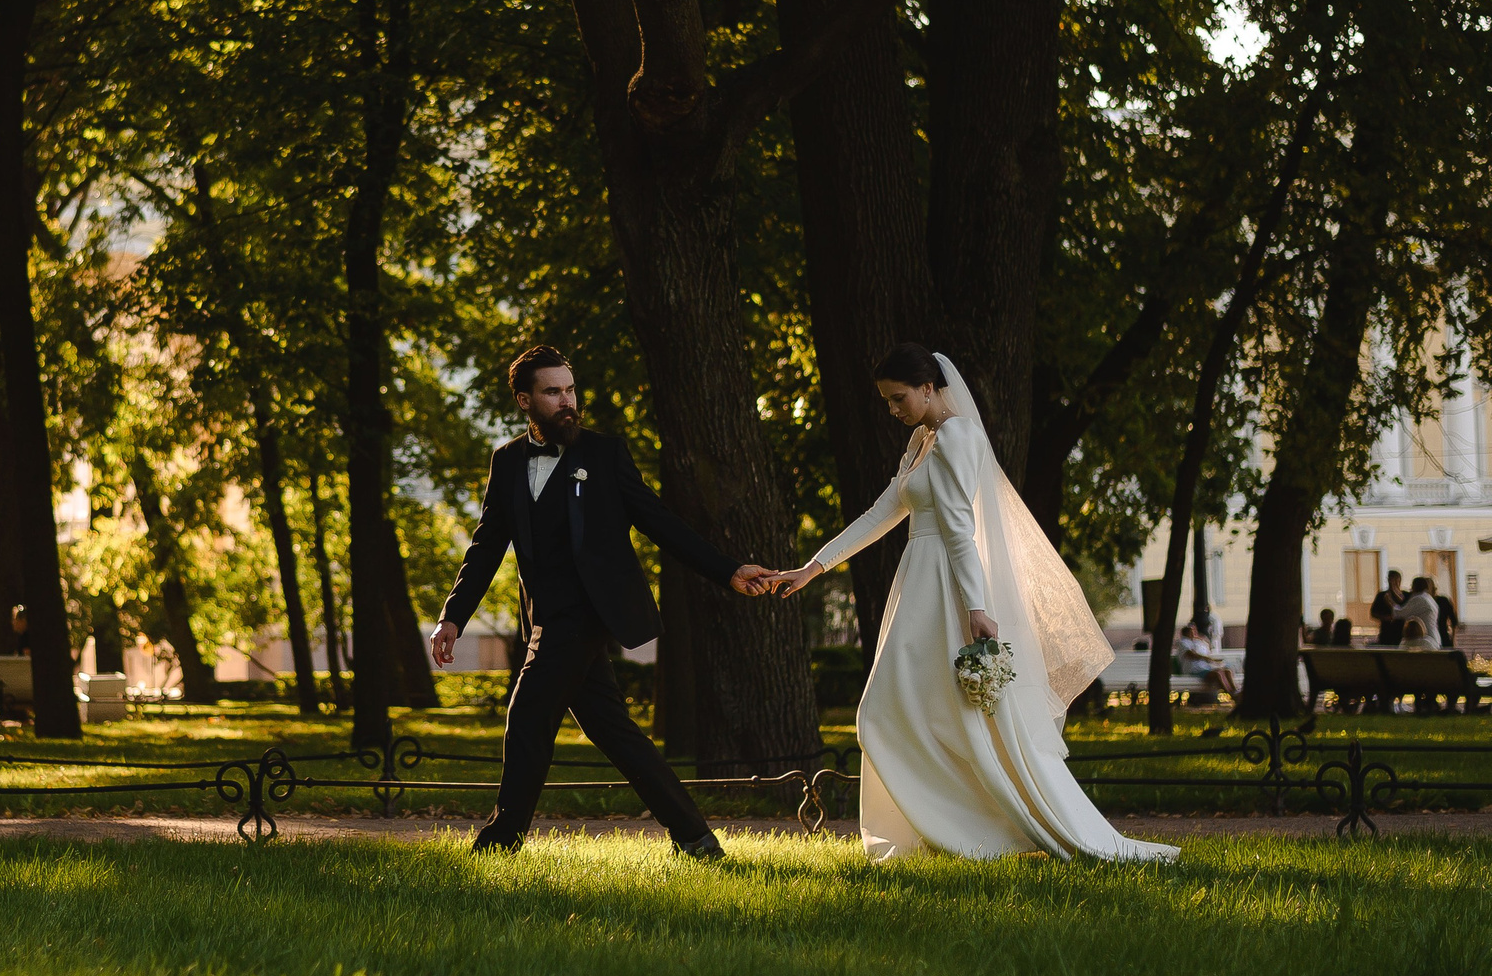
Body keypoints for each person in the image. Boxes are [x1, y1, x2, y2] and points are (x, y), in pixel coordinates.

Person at [765, 344, 1176, 863]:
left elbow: (960, 525)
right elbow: (880, 513)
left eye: (899, 398)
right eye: (887, 401)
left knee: (909, 710)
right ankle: (939, 827)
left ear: (929, 388)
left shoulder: (958, 434)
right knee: (901, 708)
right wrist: (813, 567)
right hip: (918, 581)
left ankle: (967, 828)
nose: (893, 410)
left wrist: (976, 607)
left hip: (945, 584)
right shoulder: (922, 440)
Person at [429, 344, 777, 859]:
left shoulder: (604, 454)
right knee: (615, 733)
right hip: (543, 617)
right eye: (553, 392)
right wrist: (453, 617)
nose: (567, 400)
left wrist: (727, 570)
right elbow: (486, 546)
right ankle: (696, 839)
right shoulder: (506, 462)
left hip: (588, 615)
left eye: (570, 389)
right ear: (525, 401)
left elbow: (659, 521)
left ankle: (499, 845)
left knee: (527, 718)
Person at [1175, 621, 1237, 699]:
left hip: (1205, 668)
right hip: (1194, 670)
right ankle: (1232, 695)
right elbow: (1191, 655)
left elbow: (1208, 648)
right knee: (1218, 674)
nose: (1194, 633)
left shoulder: (1196, 642)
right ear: (1186, 633)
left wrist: (1203, 639)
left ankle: (1235, 691)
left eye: (1194, 631)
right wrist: (1207, 658)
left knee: (1227, 671)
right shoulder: (1183, 642)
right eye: (1192, 631)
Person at [1396, 577, 1442, 650]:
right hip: (1432, 637)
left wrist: (1390, 603)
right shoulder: (1428, 598)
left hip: (1424, 638)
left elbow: (1401, 613)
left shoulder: (1419, 599)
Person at [1371, 570, 1410, 646]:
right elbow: (1373, 613)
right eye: (1390, 579)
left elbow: (1403, 604)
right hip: (1386, 631)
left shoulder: (1406, 595)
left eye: (1395, 580)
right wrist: (1384, 617)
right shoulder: (1381, 595)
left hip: (1401, 631)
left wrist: (1394, 589)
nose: (1392, 582)